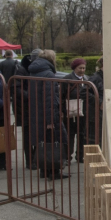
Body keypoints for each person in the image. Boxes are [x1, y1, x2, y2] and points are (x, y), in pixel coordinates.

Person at [28, 50, 69, 180]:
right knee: (55, 142)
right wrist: (51, 120)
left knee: (43, 142)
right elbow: (50, 99)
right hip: (48, 115)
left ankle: (44, 170)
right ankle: (54, 171)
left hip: (37, 113)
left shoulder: (34, 71)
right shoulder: (48, 74)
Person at [12, 49, 42, 170]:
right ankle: (30, 160)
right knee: (28, 135)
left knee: (38, 135)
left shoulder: (36, 69)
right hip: (24, 108)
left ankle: (37, 158)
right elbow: (17, 89)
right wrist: (31, 95)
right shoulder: (21, 69)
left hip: (34, 106)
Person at [63, 58, 88, 163]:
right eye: (80, 68)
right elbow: (62, 95)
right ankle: (68, 156)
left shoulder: (87, 79)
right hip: (70, 111)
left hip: (83, 111)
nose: (82, 70)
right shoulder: (67, 79)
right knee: (70, 134)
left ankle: (80, 155)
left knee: (82, 134)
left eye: (83, 68)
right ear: (74, 68)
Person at [86, 57, 104, 147]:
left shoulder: (107, 77)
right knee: (95, 141)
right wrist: (99, 102)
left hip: (103, 113)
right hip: (95, 114)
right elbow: (84, 92)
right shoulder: (95, 78)